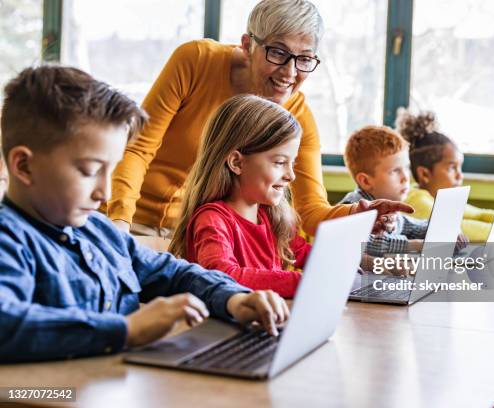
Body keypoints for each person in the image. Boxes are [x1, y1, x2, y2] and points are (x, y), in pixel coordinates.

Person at [0, 66, 288, 363]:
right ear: (23, 166)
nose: (106, 193)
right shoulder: (8, 241)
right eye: (89, 171)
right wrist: (125, 330)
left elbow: (174, 273)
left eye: (111, 171)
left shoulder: (99, 230)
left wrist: (234, 299)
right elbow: (6, 323)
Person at [104, 0, 411, 238]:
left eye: (304, 59)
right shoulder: (196, 61)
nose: (289, 73)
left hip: (201, 237)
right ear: (247, 44)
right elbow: (137, 148)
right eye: (277, 53)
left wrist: (357, 214)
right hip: (135, 223)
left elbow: (311, 211)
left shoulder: (299, 118)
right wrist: (119, 222)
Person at [169, 95, 311, 298]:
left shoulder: (271, 217)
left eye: (292, 163)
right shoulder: (212, 219)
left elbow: (306, 253)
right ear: (236, 162)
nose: (291, 175)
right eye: (280, 162)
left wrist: (354, 261)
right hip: (223, 327)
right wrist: (300, 283)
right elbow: (222, 275)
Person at [396, 110, 494, 242]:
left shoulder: (441, 200)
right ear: (425, 174)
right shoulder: (416, 201)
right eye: (452, 168)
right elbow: (455, 228)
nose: (459, 176)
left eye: (460, 167)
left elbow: (479, 215)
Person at [340, 125, 428, 257]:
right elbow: (368, 244)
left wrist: (446, 231)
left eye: (406, 168)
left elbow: (415, 227)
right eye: (395, 171)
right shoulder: (352, 207)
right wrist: (416, 245)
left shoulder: (391, 209)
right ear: (366, 181)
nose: (405, 178)